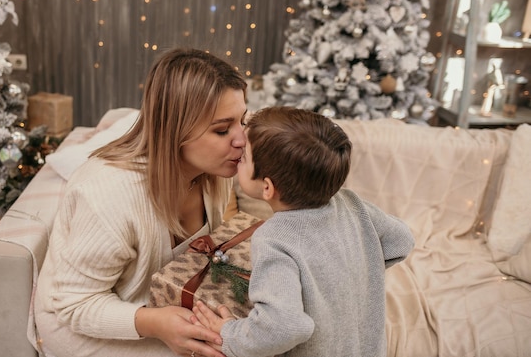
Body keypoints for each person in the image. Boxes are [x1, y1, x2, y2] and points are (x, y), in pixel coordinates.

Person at [34, 48, 248, 357]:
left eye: (243, 120)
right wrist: (156, 323)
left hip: (160, 304)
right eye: (222, 129)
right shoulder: (108, 196)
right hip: (85, 322)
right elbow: (74, 305)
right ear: (176, 131)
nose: (241, 139)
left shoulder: (216, 170)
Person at [192, 106, 415, 357]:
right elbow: (401, 240)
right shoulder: (352, 203)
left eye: (244, 157)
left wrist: (229, 334)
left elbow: (284, 327)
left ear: (267, 188)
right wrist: (350, 272)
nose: (237, 154)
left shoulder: (275, 239)